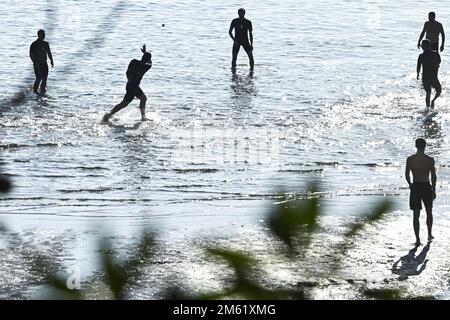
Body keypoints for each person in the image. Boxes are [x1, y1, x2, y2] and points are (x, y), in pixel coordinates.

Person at [103, 45, 152, 122]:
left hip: (130, 85)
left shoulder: (134, 62)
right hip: (133, 87)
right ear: (148, 60)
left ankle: (143, 117)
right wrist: (145, 52)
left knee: (143, 98)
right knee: (124, 104)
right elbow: (150, 62)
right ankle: (108, 115)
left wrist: (131, 79)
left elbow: (127, 73)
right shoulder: (146, 67)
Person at [405, 138, 436, 246]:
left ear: (416, 146)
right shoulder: (430, 159)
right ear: (425, 146)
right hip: (426, 186)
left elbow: (407, 174)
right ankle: (429, 234)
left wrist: (410, 185)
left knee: (416, 214)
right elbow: (433, 176)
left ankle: (418, 239)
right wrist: (434, 189)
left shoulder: (410, 159)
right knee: (429, 212)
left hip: (416, 186)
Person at [417, 40, 441, 109]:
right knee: (438, 90)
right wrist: (436, 66)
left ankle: (427, 108)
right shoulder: (435, 53)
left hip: (425, 77)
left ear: (424, 46)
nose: (421, 47)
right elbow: (439, 61)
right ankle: (433, 101)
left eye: (422, 46)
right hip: (433, 76)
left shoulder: (421, 56)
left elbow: (418, 67)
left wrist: (418, 74)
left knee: (428, 93)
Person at [29, 29, 54, 94]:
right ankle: (35, 92)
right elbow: (31, 55)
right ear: (38, 35)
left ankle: (42, 91)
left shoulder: (46, 44)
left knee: (44, 79)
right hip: (37, 64)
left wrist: (51, 60)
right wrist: (35, 63)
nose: (43, 36)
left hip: (44, 64)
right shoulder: (34, 44)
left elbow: (49, 53)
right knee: (38, 78)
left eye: (44, 35)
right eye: (42, 35)